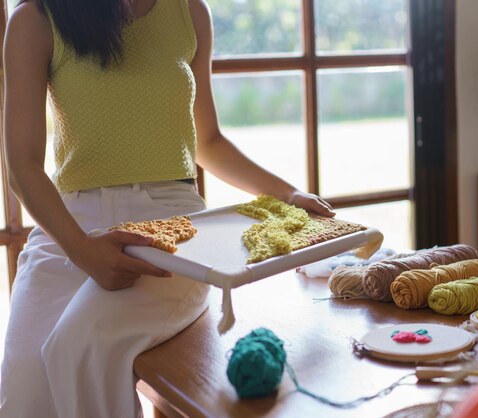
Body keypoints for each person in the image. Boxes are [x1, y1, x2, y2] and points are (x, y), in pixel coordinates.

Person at [0, 0, 334, 417]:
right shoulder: (35, 18)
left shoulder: (190, 11)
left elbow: (207, 141)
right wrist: (82, 251)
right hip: (67, 229)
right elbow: (22, 164)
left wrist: (287, 193)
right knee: (23, 388)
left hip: (174, 229)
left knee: (79, 346)